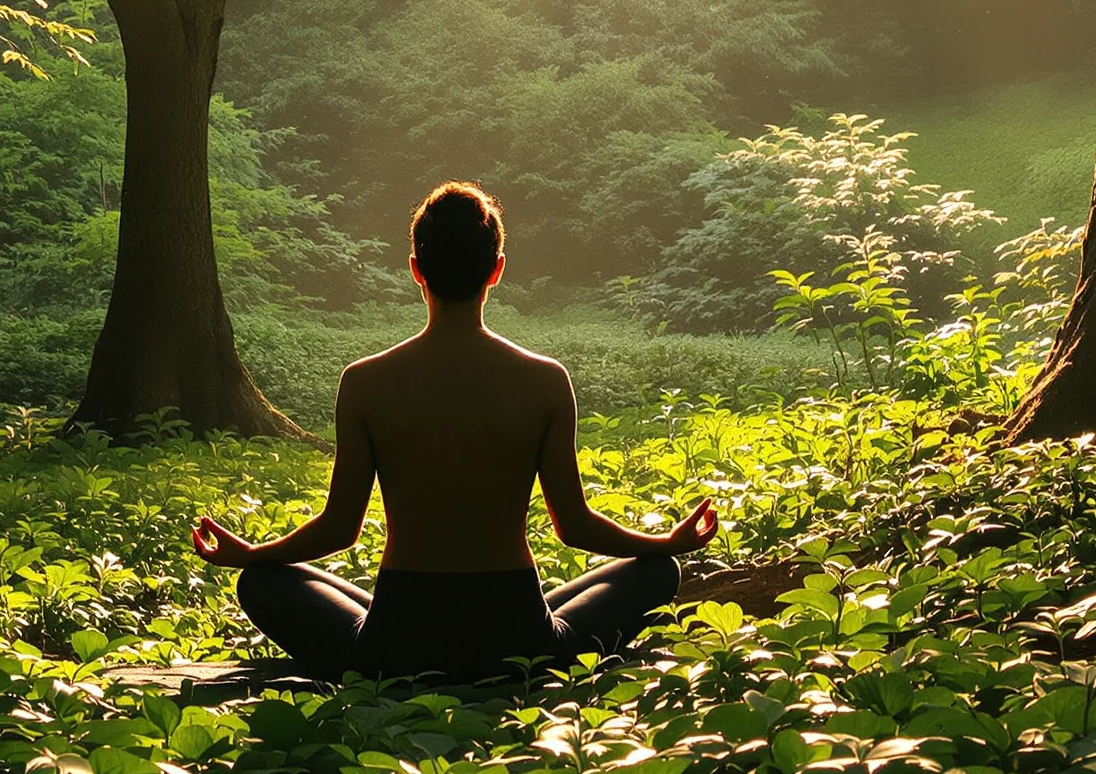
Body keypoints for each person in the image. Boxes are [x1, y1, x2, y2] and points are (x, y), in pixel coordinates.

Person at [191, 180, 718, 680]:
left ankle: (383, 641)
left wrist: (251, 555)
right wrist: (663, 540)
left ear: (416, 270)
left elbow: (339, 529)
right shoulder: (545, 380)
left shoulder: (365, 382)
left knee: (262, 582)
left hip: (397, 638)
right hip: (517, 633)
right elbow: (574, 527)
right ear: (497, 270)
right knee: (658, 571)